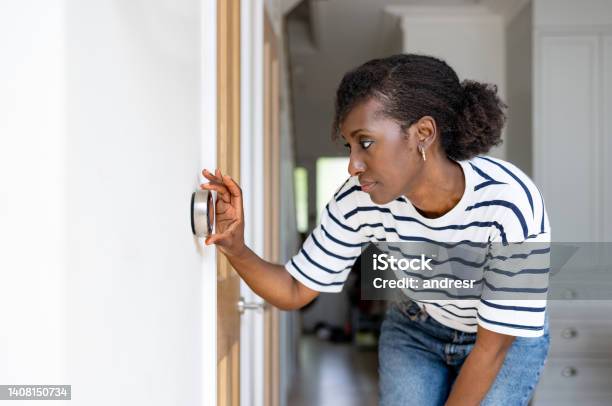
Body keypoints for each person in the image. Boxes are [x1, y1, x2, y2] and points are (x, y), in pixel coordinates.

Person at [201, 54, 550, 406]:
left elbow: (493, 347)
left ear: (423, 134)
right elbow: (294, 290)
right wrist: (235, 247)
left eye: (365, 142)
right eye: (348, 147)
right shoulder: (358, 200)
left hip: (503, 340)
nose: (353, 165)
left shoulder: (508, 203)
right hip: (417, 327)